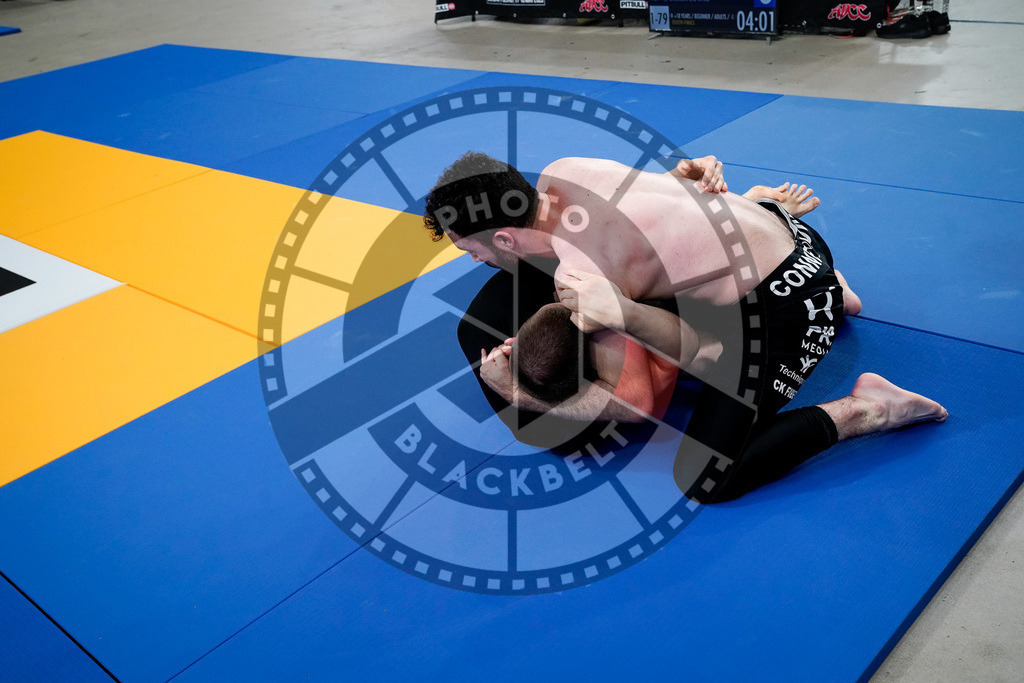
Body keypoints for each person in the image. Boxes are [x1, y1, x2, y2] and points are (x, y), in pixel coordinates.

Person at [427, 152, 945, 501]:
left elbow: (636, 404)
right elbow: (650, 221)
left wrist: (516, 389)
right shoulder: (565, 171)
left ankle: (870, 406)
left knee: (707, 478)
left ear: (507, 240)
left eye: (471, 249)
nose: (473, 261)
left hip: (788, 302)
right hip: (792, 233)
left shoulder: (582, 272)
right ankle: (827, 280)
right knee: (675, 270)